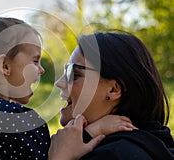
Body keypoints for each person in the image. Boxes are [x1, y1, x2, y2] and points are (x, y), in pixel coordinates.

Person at [0, 17, 135, 160]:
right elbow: (60, 154)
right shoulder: (18, 119)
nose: (41, 70)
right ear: (5, 66)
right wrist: (97, 129)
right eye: (35, 60)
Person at [49, 31, 174, 160]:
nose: (59, 83)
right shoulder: (151, 145)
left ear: (113, 90)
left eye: (74, 74)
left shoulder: (112, 155)